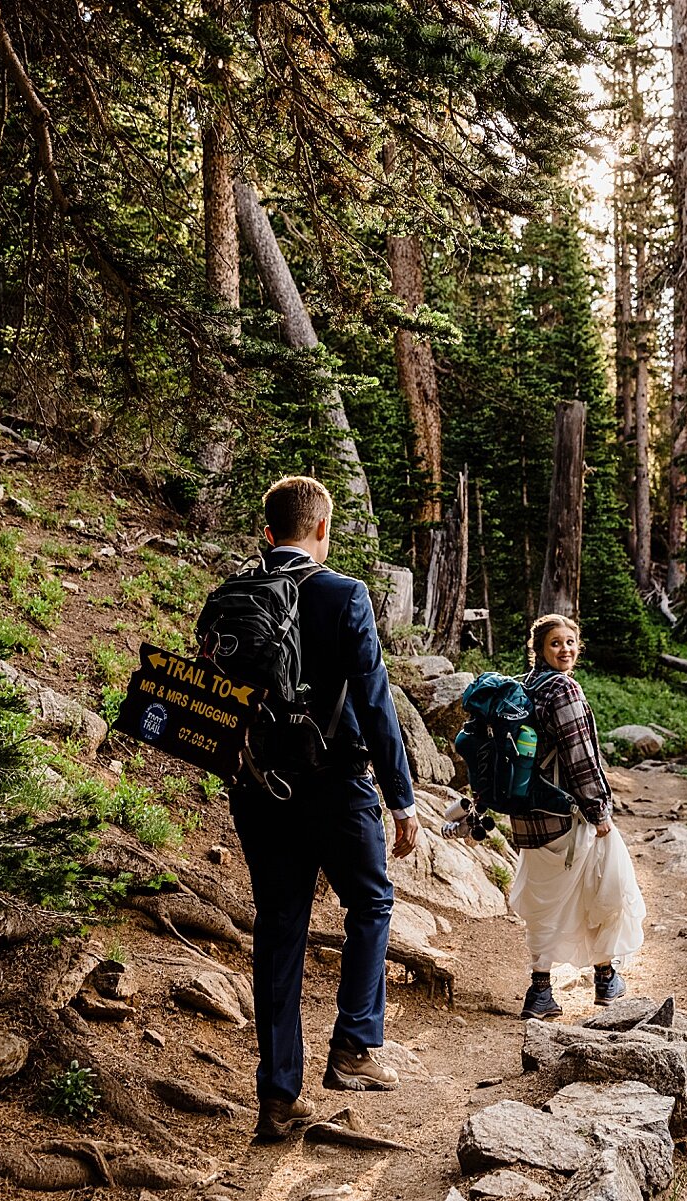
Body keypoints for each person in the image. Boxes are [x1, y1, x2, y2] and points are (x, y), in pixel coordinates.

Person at [230, 475, 421, 1141]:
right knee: (370, 901)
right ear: (321, 532)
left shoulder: (234, 595)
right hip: (336, 785)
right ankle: (354, 1048)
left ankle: (278, 1097)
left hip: (261, 789)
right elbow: (375, 702)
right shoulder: (346, 595)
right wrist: (402, 800)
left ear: (267, 532)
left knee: (279, 928)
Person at [510, 613, 647, 1019]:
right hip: (567, 814)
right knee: (604, 889)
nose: (565, 649)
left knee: (544, 901)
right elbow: (580, 757)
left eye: (570, 641)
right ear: (539, 648)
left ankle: (540, 992)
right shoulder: (563, 689)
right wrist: (599, 810)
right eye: (556, 643)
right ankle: (605, 980)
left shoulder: (522, 687)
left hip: (527, 816)